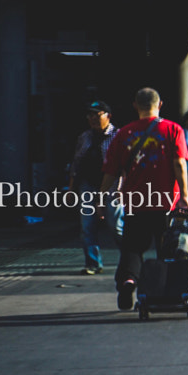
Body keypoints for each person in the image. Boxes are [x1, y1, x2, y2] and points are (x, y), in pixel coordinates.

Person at [101, 88, 188, 312]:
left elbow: (111, 172)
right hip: (166, 202)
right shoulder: (172, 129)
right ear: (159, 105)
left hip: (135, 202)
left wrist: (100, 199)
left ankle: (128, 281)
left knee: (132, 247)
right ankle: (164, 293)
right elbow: (179, 164)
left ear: (135, 105)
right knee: (166, 250)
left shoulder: (123, 134)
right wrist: (185, 197)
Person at [70, 102, 117, 273]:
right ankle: (93, 263)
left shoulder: (118, 136)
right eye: (90, 116)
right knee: (87, 226)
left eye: (97, 115)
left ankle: (130, 257)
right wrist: (71, 187)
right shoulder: (85, 137)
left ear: (108, 116)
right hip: (88, 185)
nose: (92, 119)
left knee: (116, 225)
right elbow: (76, 163)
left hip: (112, 186)